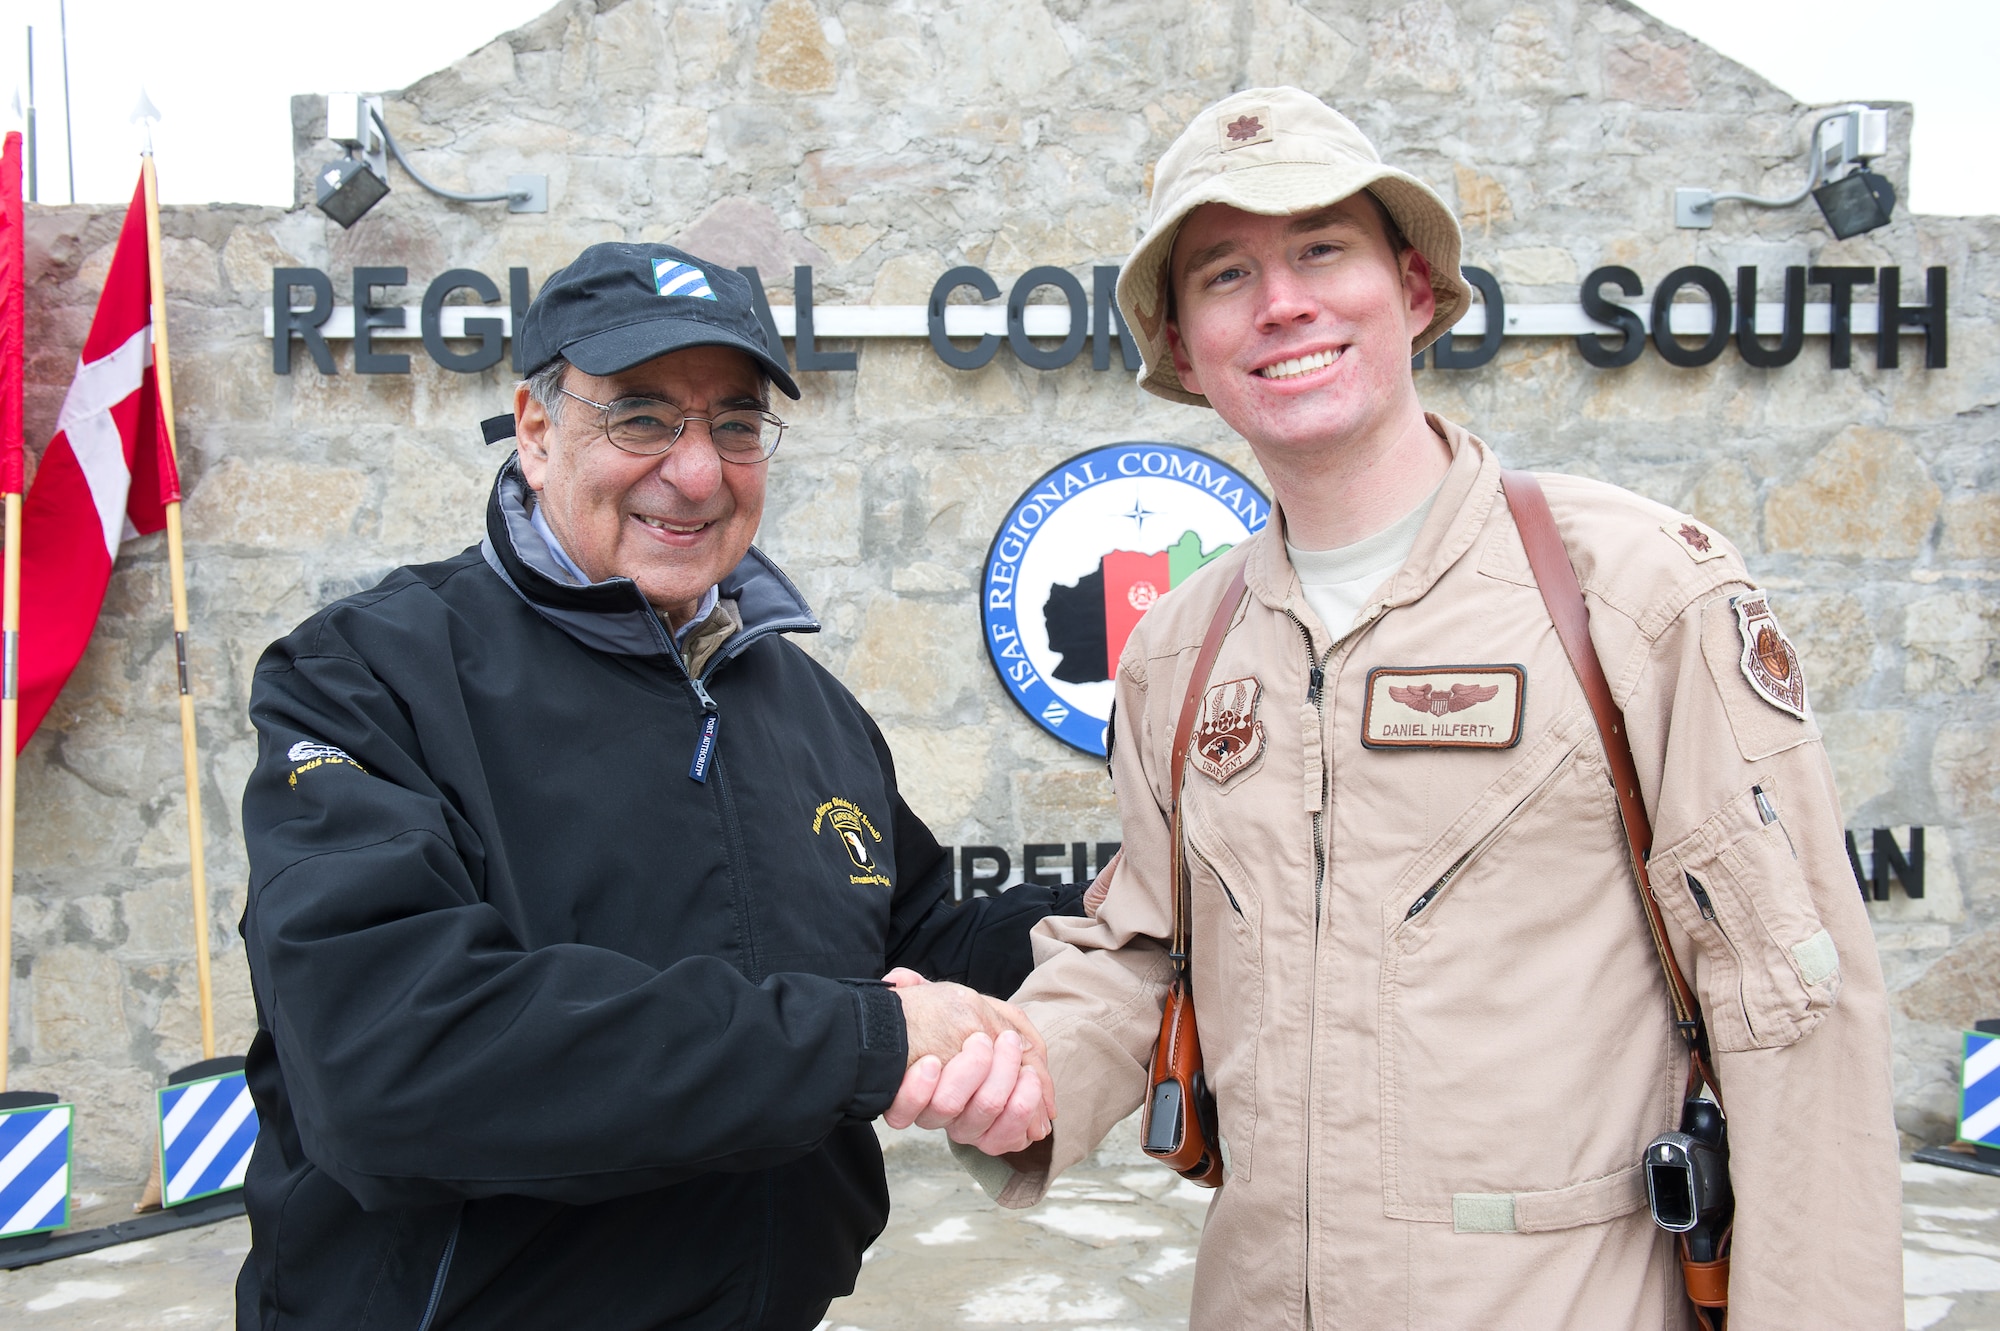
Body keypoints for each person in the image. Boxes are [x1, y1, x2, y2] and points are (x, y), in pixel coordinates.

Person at [956, 88, 1902, 1329]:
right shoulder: (1179, 652)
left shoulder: (1636, 591)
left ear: (1411, 290)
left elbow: (1794, 1013)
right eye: (1225, 271)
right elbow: (1143, 952)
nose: (1281, 300)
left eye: (1321, 250)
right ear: (1182, 349)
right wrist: (1014, 1071)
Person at [236, 243, 1069, 1329]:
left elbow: (913, 935)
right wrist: (865, 1041)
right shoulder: (366, 674)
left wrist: (1107, 918)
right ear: (535, 432)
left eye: (734, 422)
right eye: (640, 417)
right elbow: (393, 1058)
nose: (695, 470)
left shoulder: (805, 703)